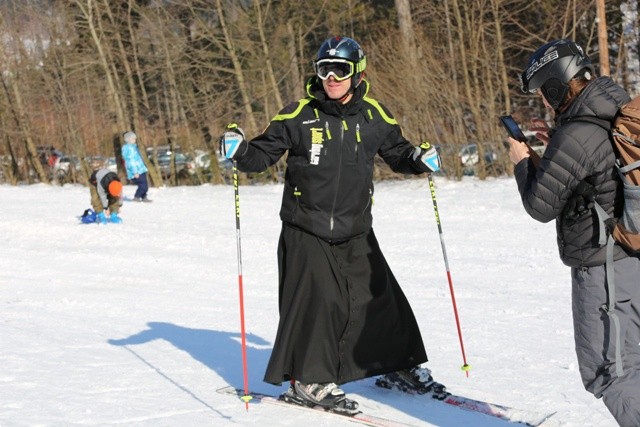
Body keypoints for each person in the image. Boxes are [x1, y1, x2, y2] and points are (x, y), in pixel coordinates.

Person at [221, 36, 445, 412]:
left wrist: (419, 158)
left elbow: (398, 151)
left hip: (355, 227)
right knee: (321, 302)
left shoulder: (374, 115)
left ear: (357, 72)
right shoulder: (298, 115)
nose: (332, 77)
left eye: (340, 69)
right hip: (306, 227)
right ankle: (309, 380)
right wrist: (240, 150)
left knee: (380, 299)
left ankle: (396, 365)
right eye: (325, 69)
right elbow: (262, 153)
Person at [509, 39, 640, 426]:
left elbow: (540, 206)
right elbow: (594, 172)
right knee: (631, 364)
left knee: (610, 373)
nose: (546, 103)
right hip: (628, 262)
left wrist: (521, 163)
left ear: (556, 85)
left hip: (603, 270)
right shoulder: (612, 109)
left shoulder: (576, 134)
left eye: (545, 93)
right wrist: (554, 153)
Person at [121, 131, 151, 202]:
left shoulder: (134, 147)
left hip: (141, 169)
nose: (135, 140)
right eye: (133, 139)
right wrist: (135, 172)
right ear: (128, 140)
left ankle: (144, 197)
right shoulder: (129, 149)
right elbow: (131, 162)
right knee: (143, 185)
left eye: (135, 139)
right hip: (136, 171)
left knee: (145, 184)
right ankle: (137, 197)